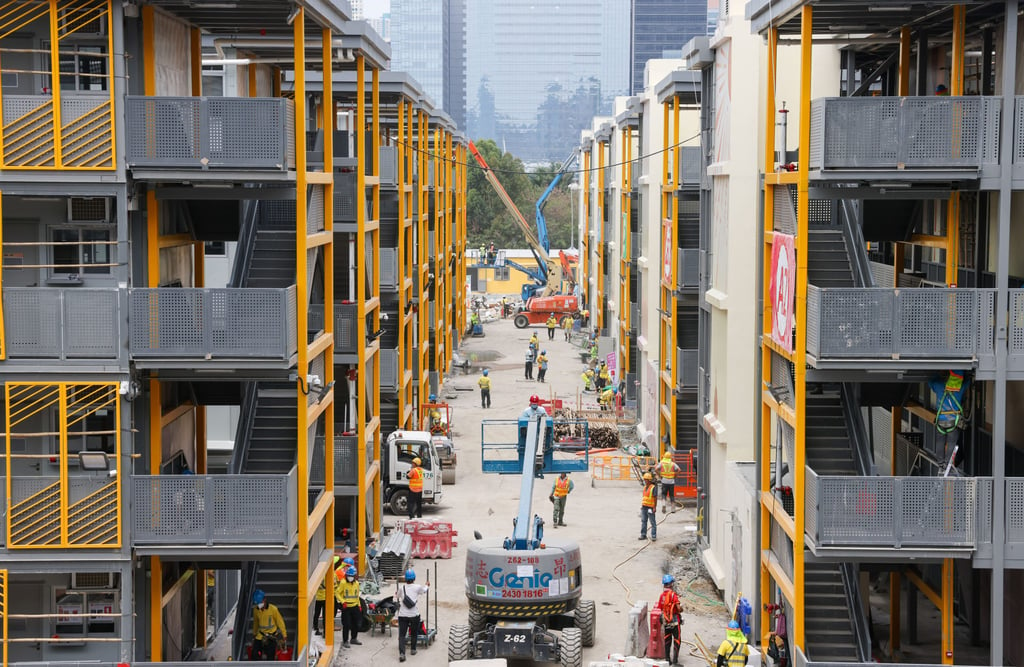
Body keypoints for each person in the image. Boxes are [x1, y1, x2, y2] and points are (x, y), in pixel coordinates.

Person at [928, 370, 969, 466]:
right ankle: (947, 463)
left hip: (941, 420)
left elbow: (930, 382)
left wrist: (938, 376)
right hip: (953, 421)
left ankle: (940, 462)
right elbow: (967, 382)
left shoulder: (938, 385)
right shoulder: (959, 387)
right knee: (951, 442)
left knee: (940, 442)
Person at [396, 569, 429, 662]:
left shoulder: (402, 588)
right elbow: (424, 590)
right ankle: (413, 649)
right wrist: (427, 585)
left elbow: (397, 596)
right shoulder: (417, 587)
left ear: (405, 579)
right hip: (414, 615)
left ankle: (402, 654)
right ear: (414, 578)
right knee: (414, 632)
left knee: (402, 635)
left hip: (402, 615)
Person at [252, 589, 287, 660]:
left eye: (260, 602)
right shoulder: (256, 610)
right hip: (260, 635)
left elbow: (280, 622)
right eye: (257, 603)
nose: (259, 605)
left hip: (271, 636)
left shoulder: (273, 609)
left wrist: (284, 634)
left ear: (264, 599)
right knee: (255, 654)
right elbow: (256, 622)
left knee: (270, 656)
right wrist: (254, 633)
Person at [656, 574, 683, 666]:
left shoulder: (662, 596)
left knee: (667, 640)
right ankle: (675, 662)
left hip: (666, 621)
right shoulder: (673, 595)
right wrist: (681, 609)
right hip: (675, 621)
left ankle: (667, 659)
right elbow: (678, 608)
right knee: (677, 640)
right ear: (671, 584)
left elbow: (660, 608)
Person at [314, 556, 342, 635]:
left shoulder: (319, 573)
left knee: (317, 614)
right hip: (327, 597)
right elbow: (336, 586)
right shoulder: (332, 574)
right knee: (326, 615)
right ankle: (325, 631)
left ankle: (315, 629)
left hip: (318, 597)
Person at [338, 566, 363, 648]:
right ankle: (345, 641)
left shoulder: (356, 584)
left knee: (356, 623)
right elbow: (337, 593)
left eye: (352, 576)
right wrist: (343, 601)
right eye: (349, 576)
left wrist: (359, 605)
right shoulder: (343, 583)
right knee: (347, 624)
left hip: (355, 606)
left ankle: (354, 638)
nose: (350, 578)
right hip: (346, 607)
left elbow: (356, 596)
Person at [639, 472, 658, 541]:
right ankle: (643, 535)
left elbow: (655, 498)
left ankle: (653, 535)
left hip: (650, 507)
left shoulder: (653, 487)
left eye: (646, 480)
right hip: (644, 507)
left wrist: (654, 507)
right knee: (644, 521)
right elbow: (644, 497)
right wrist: (642, 506)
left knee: (652, 522)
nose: (645, 481)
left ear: (649, 480)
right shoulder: (645, 487)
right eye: (644, 480)